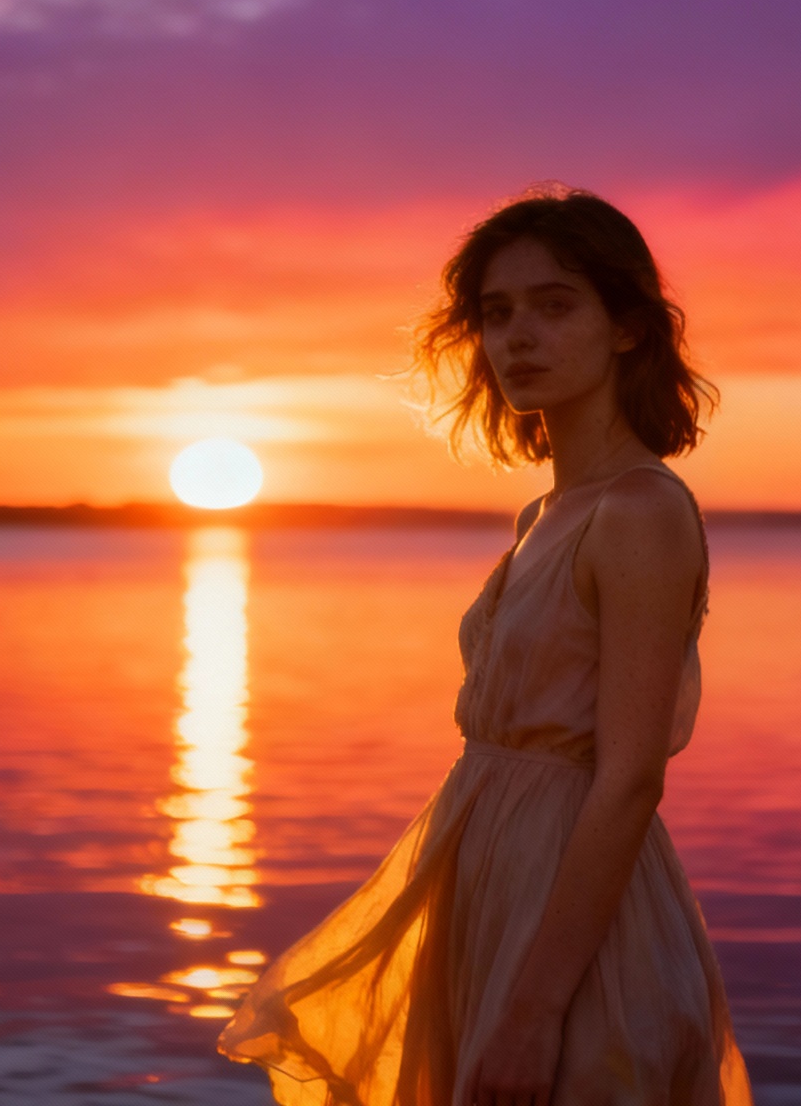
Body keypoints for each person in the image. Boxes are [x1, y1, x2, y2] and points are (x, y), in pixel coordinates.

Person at [219, 185, 753, 1106]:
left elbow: (628, 777)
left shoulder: (640, 512)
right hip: (493, 887)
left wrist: (534, 1007)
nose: (517, 338)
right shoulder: (546, 513)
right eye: (496, 314)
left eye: (554, 306)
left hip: (577, 924)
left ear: (627, 327)